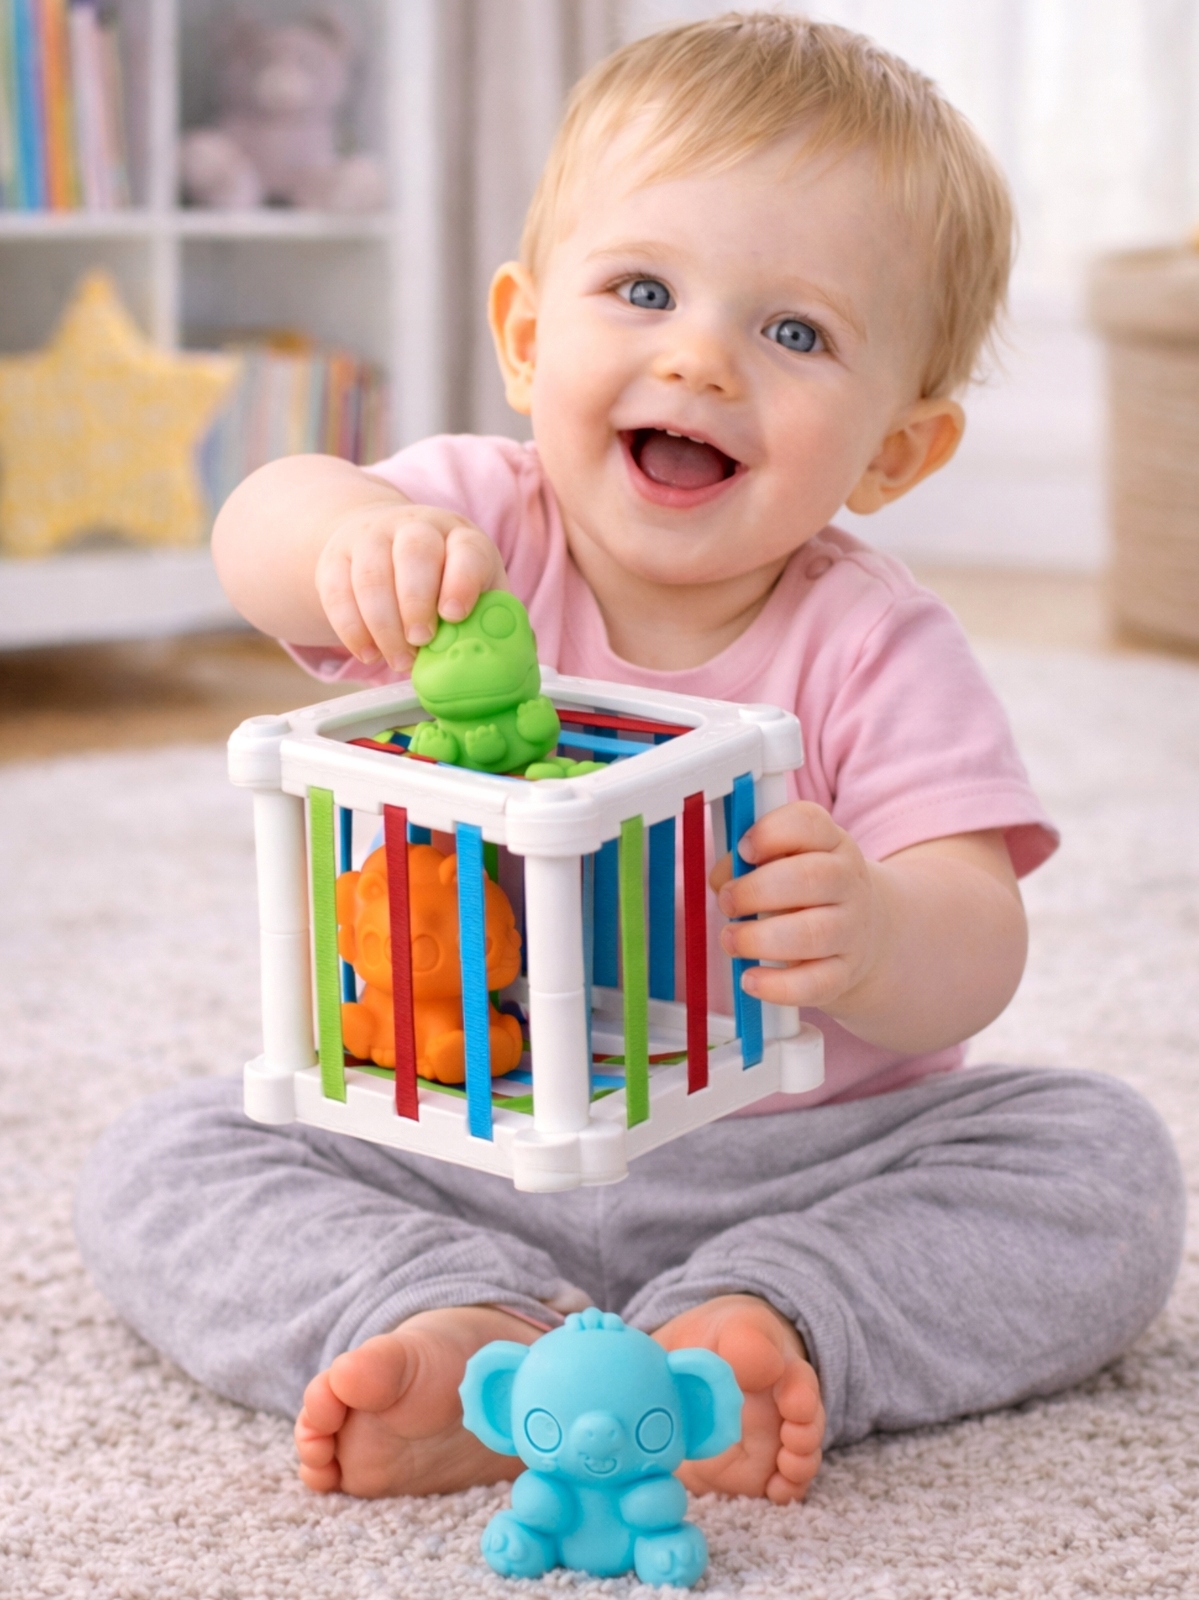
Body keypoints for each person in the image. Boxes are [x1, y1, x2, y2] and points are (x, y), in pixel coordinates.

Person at [75, 14, 1184, 1511]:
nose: (698, 357)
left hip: (795, 1160)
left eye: (795, 334)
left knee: (1100, 1157)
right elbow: (257, 531)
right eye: (644, 290)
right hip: (463, 1131)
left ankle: (770, 1324)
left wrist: (877, 934)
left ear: (893, 452)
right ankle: (457, 1324)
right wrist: (348, 539)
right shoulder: (472, 524)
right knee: (165, 1154)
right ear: (528, 337)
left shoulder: (876, 643)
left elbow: (979, 939)